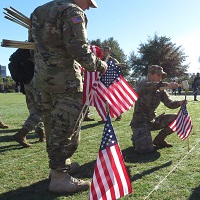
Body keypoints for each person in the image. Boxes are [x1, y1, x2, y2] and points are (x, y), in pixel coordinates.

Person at [29, 0, 107, 194]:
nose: (88, 7)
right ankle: (59, 178)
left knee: (51, 125)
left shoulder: (39, 11)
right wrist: (100, 65)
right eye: (88, 2)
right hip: (66, 82)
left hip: (43, 80)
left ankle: (59, 166)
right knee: (66, 129)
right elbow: (79, 49)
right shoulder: (73, 12)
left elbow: (32, 46)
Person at [130, 65, 186, 154]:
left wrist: (180, 103)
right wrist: (168, 85)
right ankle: (137, 137)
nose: (161, 77)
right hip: (140, 123)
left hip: (153, 121)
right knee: (146, 150)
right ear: (150, 74)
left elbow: (169, 103)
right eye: (159, 75)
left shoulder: (161, 89)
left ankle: (159, 140)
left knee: (177, 119)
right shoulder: (143, 84)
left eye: (162, 76)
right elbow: (153, 86)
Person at [13, 81, 45, 148]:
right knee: (41, 109)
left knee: (34, 109)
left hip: (25, 81)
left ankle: (41, 132)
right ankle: (22, 134)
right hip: (36, 81)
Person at [102, 46, 122, 121]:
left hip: (112, 83)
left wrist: (115, 65)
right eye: (103, 50)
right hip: (104, 82)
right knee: (105, 100)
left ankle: (118, 114)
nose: (104, 52)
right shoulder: (102, 60)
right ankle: (106, 116)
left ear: (109, 51)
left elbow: (119, 67)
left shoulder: (113, 60)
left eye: (106, 50)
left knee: (114, 99)